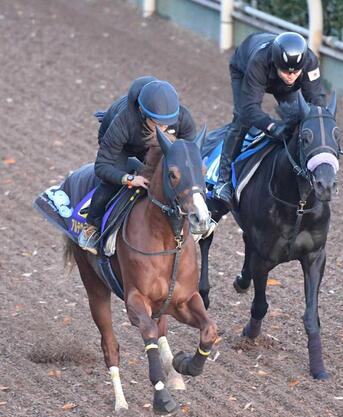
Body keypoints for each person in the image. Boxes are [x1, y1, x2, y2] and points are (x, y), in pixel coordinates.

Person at [78, 76, 196, 254]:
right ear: (141, 111)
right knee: (112, 180)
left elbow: (190, 158)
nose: (162, 128)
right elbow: (102, 166)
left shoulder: (181, 118)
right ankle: (91, 226)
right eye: (157, 123)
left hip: (152, 145)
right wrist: (129, 178)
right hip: (124, 146)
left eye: (167, 124)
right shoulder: (124, 121)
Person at [213, 32, 326, 205]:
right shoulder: (259, 62)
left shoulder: (310, 61)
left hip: (277, 79)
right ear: (275, 64)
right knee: (242, 119)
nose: (291, 76)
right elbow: (250, 108)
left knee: (301, 117)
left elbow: (317, 101)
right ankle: (223, 180)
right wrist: (272, 126)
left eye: (296, 72)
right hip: (244, 68)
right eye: (286, 72)